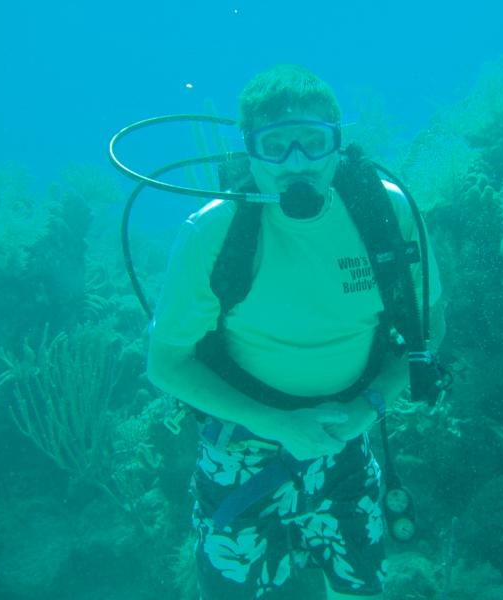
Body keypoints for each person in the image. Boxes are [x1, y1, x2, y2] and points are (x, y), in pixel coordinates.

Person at [147, 64, 444, 600]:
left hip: (347, 436)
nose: (296, 163)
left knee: (361, 587)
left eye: (313, 142)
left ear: (337, 144)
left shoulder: (384, 211)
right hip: (243, 448)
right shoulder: (213, 231)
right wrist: (279, 425)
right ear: (249, 151)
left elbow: (430, 324)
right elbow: (166, 362)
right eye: (275, 145)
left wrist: (367, 409)